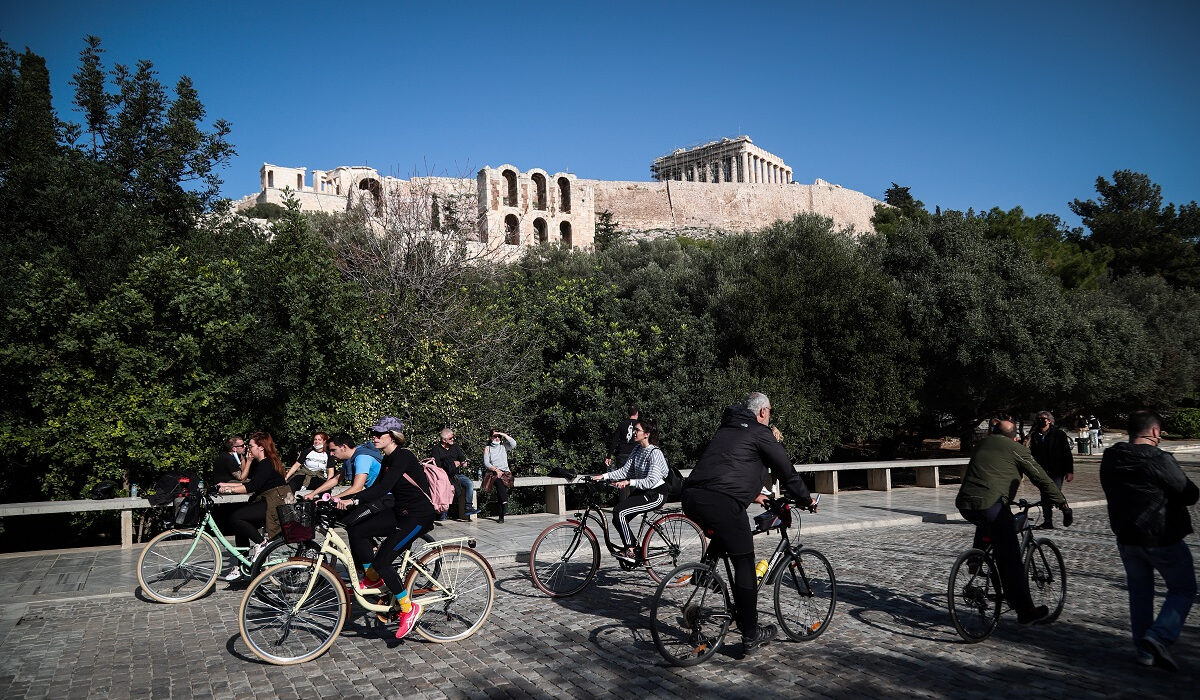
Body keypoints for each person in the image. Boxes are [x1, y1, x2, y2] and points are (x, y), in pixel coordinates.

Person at [682, 392, 815, 654]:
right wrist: (806, 499)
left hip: (692, 496)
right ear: (763, 412)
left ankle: (704, 574)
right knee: (744, 562)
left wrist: (754, 493)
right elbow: (786, 470)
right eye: (770, 412)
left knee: (727, 534)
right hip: (721, 502)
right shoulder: (759, 432)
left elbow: (729, 467)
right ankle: (751, 634)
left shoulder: (728, 428)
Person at [1099, 410, 1198, 671]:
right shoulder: (1158, 458)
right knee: (1183, 588)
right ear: (1155, 431)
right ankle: (1159, 636)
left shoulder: (1111, 457)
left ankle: (1144, 650)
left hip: (1127, 535)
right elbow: (1188, 493)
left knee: (1139, 593)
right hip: (1161, 534)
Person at [956, 419, 1069, 625]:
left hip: (965, 503)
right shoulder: (1016, 448)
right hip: (992, 504)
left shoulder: (982, 444)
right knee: (1010, 558)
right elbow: (1040, 477)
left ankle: (975, 559)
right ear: (1015, 436)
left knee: (988, 524)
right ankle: (1025, 611)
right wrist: (1061, 502)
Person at [334, 416, 437, 640]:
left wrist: (353, 500)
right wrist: (343, 502)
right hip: (400, 512)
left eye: (379, 434)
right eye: (374, 433)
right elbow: (379, 488)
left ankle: (409, 609)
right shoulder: (387, 458)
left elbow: (383, 488)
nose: (374, 437)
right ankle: (372, 577)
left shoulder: (403, 455)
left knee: (383, 560)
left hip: (418, 516)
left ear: (392, 436)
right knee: (357, 528)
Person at [214, 432, 293, 581]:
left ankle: (262, 544)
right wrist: (224, 484)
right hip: (268, 500)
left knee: (236, 517)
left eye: (250, 446)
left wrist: (228, 489)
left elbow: (252, 486)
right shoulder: (262, 462)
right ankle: (241, 565)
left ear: (261, 448)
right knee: (239, 525)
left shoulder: (266, 463)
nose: (248, 449)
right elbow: (248, 482)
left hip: (275, 503)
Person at [591, 418, 669, 562]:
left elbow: (651, 481)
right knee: (618, 517)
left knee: (619, 512)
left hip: (656, 493)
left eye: (637, 430)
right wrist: (603, 476)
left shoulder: (654, 453)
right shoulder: (637, 449)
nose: (634, 432)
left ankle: (630, 550)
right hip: (643, 491)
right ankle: (633, 548)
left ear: (646, 434)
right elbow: (625, 471)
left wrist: (628, 482)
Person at [1028, 411, 1074, 529]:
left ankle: (1066, 509)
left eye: (1043, 418)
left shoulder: (1059, 434)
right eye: (1038, 418)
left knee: (1054, 492)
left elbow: (1067, 453)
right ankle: (1047, 520)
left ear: (1049, 420)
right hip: (1042, 469)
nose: (1040, 420)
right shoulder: (1035, 435)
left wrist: (1069, 471)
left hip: (1057, 469)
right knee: (1044, 494)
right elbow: (1034, 453)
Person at [429, 428, 476, 521]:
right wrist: (452, 465)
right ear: (444, 440)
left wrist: (463, 462)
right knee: (446, 489)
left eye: (453, 438)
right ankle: (443, 513)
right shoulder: (436, 449)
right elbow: (437, 465)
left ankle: (468, 506)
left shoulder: (455, 447)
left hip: (455, 474)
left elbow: (461, 456)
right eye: (450, 438)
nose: (453, 440)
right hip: (443, 476)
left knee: (469, 484)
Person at [482, 430, 517, 523]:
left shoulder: (503, 446)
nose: (497, 438)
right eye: (495, 436)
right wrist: (496, 470)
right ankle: (505, 504)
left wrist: (504, 434)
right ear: (490, 438)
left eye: (499, 436)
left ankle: (501, 515)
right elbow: (486, 463)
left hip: (506, 473)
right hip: (494, 473)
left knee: (500, 493)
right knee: (499, 483)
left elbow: (514, 444)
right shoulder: (487, 448)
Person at [605, 404, 640, 469]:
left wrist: (609, 455)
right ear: (637, 413)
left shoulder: (622, 424)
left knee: (621, 476)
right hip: (635, 454)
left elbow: (615, 440)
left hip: (622, 454)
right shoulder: (640, 425)